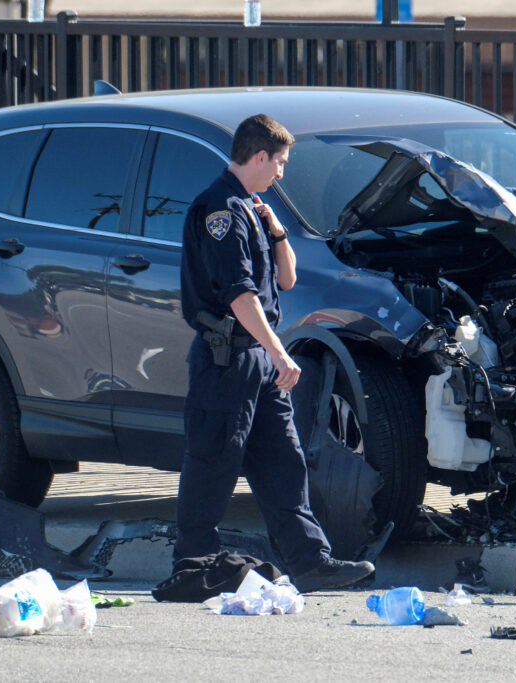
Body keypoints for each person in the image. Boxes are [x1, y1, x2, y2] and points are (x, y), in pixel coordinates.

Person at [173, 114, 374, 593]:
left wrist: (278, 232)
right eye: (280, 162)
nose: (282, 172)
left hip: (257, 361)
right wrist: (281, 353)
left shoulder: (251, 208)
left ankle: (309, 561)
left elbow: (286, 280)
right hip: (226, 361)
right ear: (259, 156)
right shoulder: (218, 209)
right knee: (213, 463)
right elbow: (241, 296)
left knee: (284, 461)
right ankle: (192, 565)